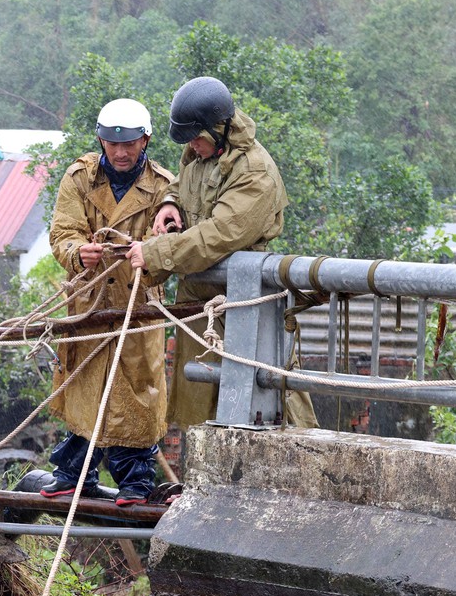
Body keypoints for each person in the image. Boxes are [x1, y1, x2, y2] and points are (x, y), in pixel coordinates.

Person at [127, 76, 318, 429]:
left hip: (244, 302)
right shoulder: (203, 152)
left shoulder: (254, 172)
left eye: (196, 139)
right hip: (201, 303)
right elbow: (185, 185)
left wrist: (156, 254)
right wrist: (170, 204)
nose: (192, 147)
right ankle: (201, 480)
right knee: (199, 398)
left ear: (219, 128)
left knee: (265, 395)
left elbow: (219, 235)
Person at [41, 98, 174, 507]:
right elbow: (63, 231)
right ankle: (71, 474)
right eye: (112, 144)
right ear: (100, 140)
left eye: (130, 144)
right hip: (89, 307)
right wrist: (78, 252)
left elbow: (170, 246)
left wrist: (146, 255)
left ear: (145, 140)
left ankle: (136, 482)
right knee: (85, 385)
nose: (120, 152)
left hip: (138, 307)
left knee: (137, 394)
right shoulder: (79, 177)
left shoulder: (164, 187)